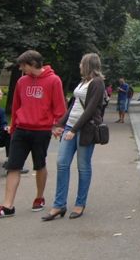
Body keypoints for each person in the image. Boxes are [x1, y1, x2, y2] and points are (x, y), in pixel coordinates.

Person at [0, 50, 66, 219]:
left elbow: (59, 106)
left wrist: (58, 125)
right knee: (13, 166)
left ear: (33, 64)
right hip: (21, 130)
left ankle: (39, 197)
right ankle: (7, 206)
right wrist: (13, 127)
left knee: (39, 165)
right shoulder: (22, 81)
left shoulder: (53, 80)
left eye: (23, 65)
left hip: (41, 131)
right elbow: (16, 106)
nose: (21, 69)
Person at [42, 53, 105, 221]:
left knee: (83, 166)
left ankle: (80, 203)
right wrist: (60, 124)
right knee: (62, 163)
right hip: (71, 126)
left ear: (88, 64)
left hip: (85, 129)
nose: (79, 66)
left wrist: (74, 130)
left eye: (81, 63)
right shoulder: (83, 82)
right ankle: (59, 205)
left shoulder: (97, 83)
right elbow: (74, 105)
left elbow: (90, 109)